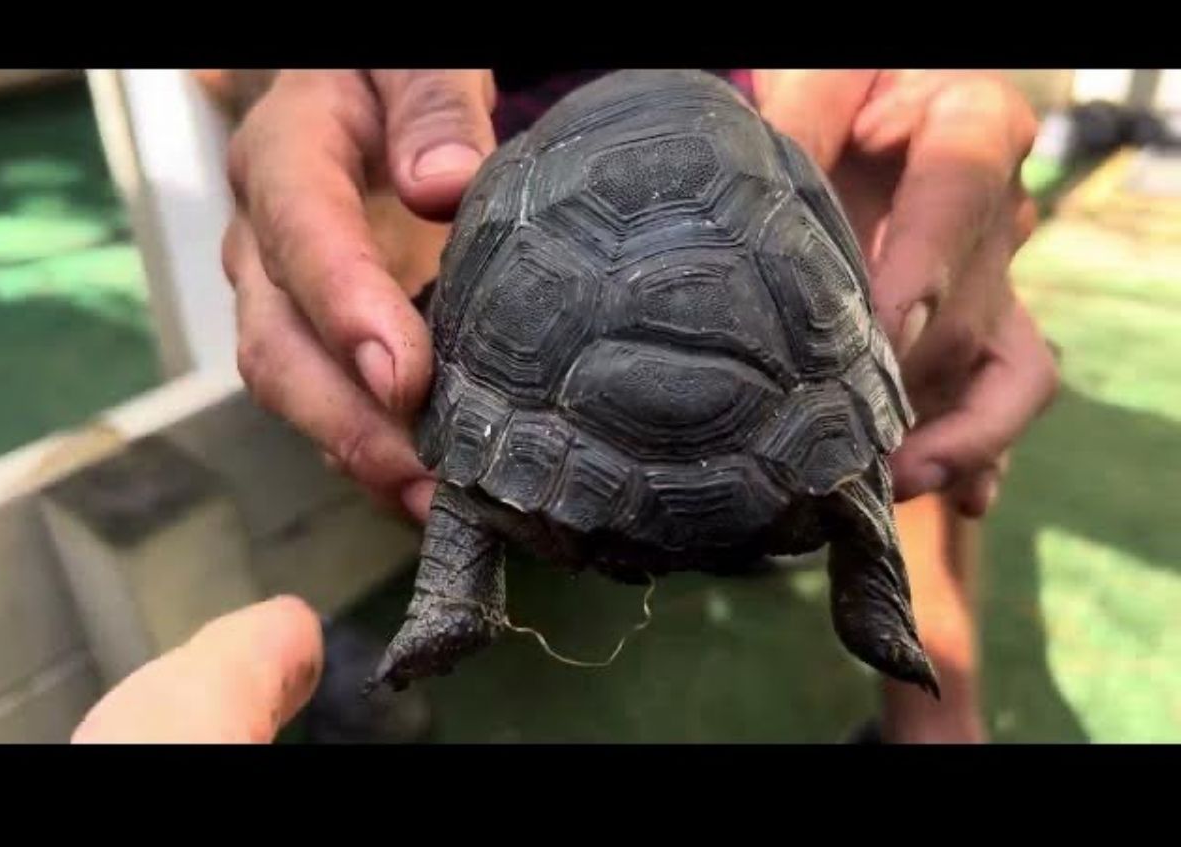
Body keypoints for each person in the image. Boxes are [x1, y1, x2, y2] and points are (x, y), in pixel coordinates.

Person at [74, 69, 1059, 744]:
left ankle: (929, 701)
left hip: (781, 134)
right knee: (855, 446)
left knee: (907, 293)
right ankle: (876, 601)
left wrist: (936, 97)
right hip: (467, 160)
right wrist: (282, 86)